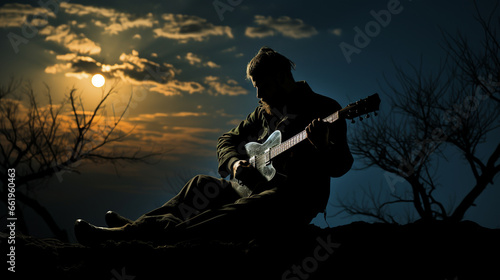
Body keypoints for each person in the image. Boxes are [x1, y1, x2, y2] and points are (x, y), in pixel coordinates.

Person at [74, 47, 353, 246]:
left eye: (263, 85)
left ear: (282, 77)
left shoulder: (325, 109)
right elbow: (226, 139)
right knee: (199, 185)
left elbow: (341, 165)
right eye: (255, 86)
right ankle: (135, 227)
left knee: (227, 216)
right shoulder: (264, 111)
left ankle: (141, 234)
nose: (258, 94)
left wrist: (324, 145)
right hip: (251, 186)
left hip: (291, 201)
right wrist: (234, 164)